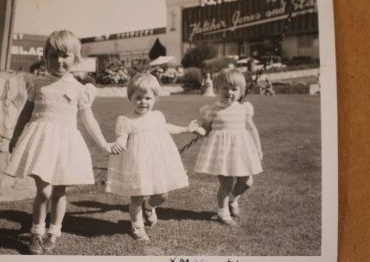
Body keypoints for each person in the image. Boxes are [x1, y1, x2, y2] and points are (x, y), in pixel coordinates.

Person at [5, 30, 114, 254]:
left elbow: (88, 119)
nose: (59, 61)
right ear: (45, 56)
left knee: (59, 192)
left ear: (75, 58)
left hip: (65, 144)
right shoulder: (37, 84)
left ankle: (54, 232)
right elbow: (25, 114)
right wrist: (15, 136)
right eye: (53, 56)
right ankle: (36, 232)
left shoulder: (78, 89)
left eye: (65, 56)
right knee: (43, 191)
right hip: (41, 142)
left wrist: (104, 144)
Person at [106, 73, 205, 241]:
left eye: (147, 98)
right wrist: (118, 145)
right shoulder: (126, 120)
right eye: (138, 98)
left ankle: (150, 206)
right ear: (130, 98)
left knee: (162, 194)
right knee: (136, 195)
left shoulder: (157, 116)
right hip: (137, 163)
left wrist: (187, 129)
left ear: (154, 99)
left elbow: (167, 127)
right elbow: (121, 138)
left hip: (157, 161)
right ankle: (137, 226)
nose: (143, 102)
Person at [195, 69, 263, 226]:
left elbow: (252, 129)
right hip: (221, 153)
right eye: (225, 88)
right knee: (226, 184)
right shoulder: (212, 110)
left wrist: (258, 149)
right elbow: (205, 129)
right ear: (216, 89)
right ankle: (223, 213)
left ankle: (233, 199)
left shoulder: (243, 109)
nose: (229, 92)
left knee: (247, 182)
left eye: (234, 89)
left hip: (241, 151)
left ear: (241, 92)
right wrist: (198, 130)